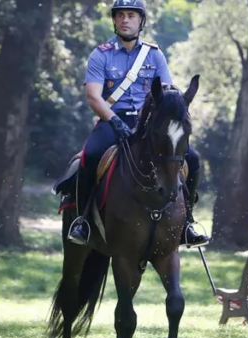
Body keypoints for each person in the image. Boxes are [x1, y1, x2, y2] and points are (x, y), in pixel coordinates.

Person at [67, 0, 208, 248]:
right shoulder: (101, 54)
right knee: (89, 156)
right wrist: (115, 121)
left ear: (141, 21)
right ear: (114, 20)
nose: (125, 20)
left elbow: (167, 92)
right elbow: (93, 96)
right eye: (120, 15)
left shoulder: (155, 55)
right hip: (112, 119)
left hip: (148, 123)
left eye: (131, 15)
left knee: (192, 159)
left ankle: (187, 223)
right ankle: (83, 221)